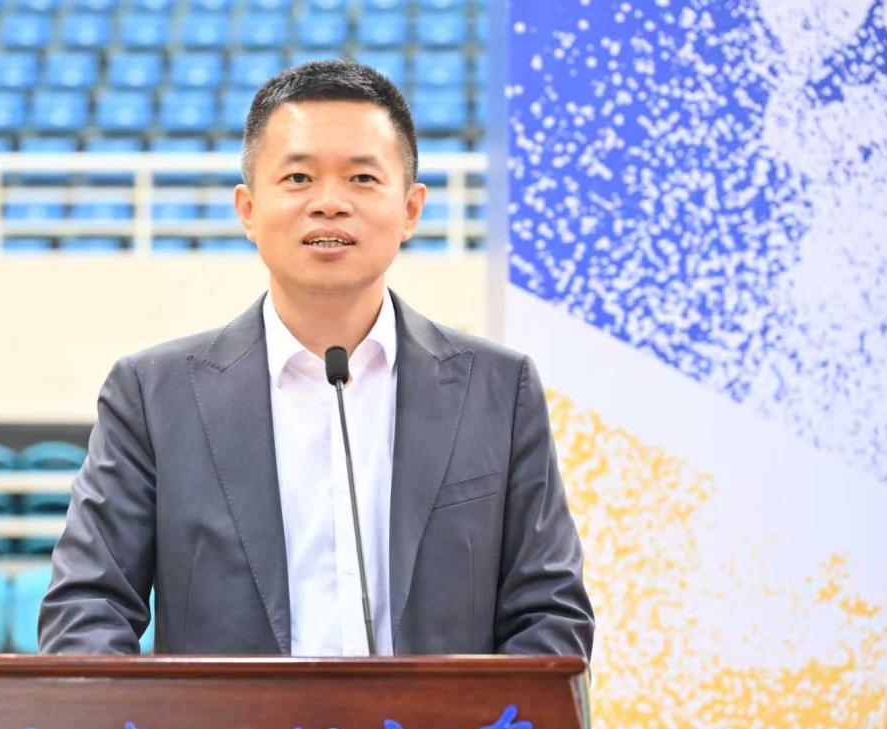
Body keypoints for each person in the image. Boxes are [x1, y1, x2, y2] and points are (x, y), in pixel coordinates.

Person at [39, 60, 594, 658]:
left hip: (440, 725)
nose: (329, 203)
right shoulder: (153, 395)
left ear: (411, 210)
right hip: (228, 725)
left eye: (362, 178)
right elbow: (87, 608)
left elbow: (549, 613)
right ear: (248, 209)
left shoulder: (498, 389)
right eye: (299, 177)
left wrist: (486, 719)